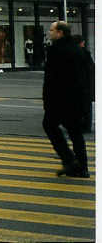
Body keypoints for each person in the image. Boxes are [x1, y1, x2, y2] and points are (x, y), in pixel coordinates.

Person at [42, 21, 89, 178]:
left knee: (49, 125)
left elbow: (52, 79)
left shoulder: (56, 50)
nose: (50, 32)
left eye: (52, 30)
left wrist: (47, 101)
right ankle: (82, 168)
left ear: (60, 32)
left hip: (59, 99)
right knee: (75, 133)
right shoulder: (78, 49)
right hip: (76, 99)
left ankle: (69, 159)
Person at [73, 34, 94, 133]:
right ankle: (86, 126)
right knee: (86, 108)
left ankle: (80, 125)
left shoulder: (72, 53)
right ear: (81, 42)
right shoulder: (85, 53)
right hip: (86, 86)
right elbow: (91, 70)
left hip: (77, 86)